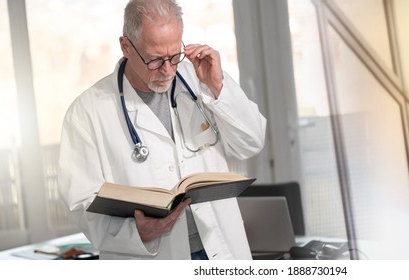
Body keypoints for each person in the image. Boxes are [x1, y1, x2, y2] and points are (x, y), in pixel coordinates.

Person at [58, 0, 266, 260]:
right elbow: (80, 203)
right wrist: (135, 232)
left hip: (219, 250)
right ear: (125, 46)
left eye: (174, 56)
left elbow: (252, 142)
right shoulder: (88, 111)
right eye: (155, 60)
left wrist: (217, 88)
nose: (168, 70)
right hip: (151, 256)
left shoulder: (200, 78)